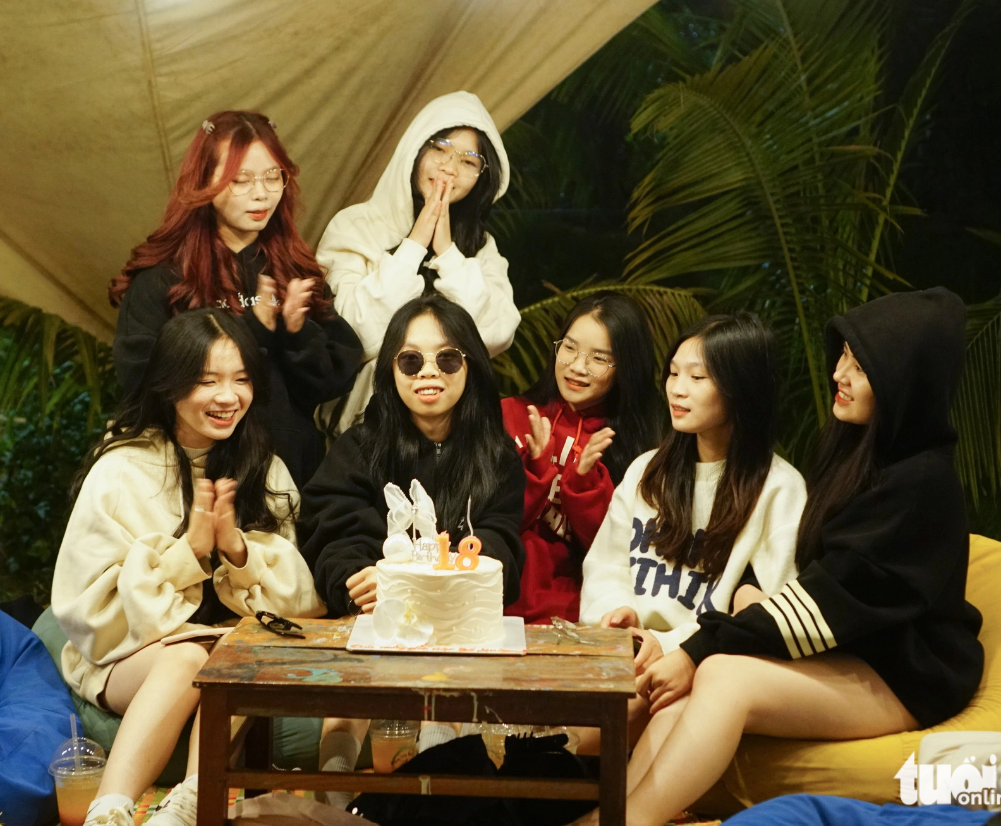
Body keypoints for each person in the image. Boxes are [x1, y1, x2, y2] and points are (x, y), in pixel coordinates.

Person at [576, 289, 985, 826]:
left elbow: (827, 600)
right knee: (685, 687)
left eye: (860, 367)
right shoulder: (855, 454)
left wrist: (697, 648)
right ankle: (613, 816)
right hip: (852, 652)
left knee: (721, 675)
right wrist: (742, 606)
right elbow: (822, 581)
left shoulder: (921, 482)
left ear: (903, 380)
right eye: (842, 356)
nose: (839, 373)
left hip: (903, 674)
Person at [54, 310, 325, 826]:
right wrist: (189, 554)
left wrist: (237, 551)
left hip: (228, 655)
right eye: (208, 381)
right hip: (125, 658)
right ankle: (107, 814)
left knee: (235, 656)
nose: (228, 397)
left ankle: (184, 810)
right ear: (170, 385)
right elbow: (89, 611)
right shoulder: (121, 468)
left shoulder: (263, 469)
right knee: (190, 660)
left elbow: (300, 604)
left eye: (241, 380)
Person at [297, 294, 525, 804]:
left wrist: (429, 574)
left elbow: (503, 547)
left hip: (460, 629)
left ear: (470, 365)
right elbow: (332, 534)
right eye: (410, 359)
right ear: (390, 370)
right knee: (359, 681)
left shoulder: (496, 456)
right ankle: (330, 803)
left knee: (453, 696)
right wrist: (356, 577)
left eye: (447, 358)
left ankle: (445, 801)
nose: (429, 373)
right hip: (376, 623)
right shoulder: (358, 446)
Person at [577, 313, 806, 744]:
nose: (677, 388)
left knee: (575, 737)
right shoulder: (648, 471)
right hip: (618, 651)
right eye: (673, 373)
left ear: (741, 388)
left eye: (697, 377)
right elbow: (606, 564)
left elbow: (763, 613)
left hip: (695, 663)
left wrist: (667, 645)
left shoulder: (780, 489)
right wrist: (616, 616)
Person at [111, 110, 363, 488]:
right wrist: (252, 332)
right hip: (194, 481)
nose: (260, 193)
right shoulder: (164, 278)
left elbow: (335, 378)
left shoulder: (294, 271)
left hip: (291, 479)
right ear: (204, 183)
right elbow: (141, 381)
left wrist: (297, 333)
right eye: (240, 180)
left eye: (272, 176)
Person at [315, 90, 521, 434]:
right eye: (439, 149)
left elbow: (496, 335)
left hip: (454, 437)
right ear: (415, 149)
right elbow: (353, 338)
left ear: (482, 178)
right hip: (361, 435)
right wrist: (413, 246)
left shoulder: (481, 247)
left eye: (468, 161)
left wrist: (448, 254)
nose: (449, 168)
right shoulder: (354, 226)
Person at [502, 292, 664, 624]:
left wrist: (585, 487)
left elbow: (622, 557)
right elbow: (484, 524)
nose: (577, 366)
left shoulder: (640, 447)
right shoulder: (510, 414)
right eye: (570, 347)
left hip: (582, 618)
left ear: (626, 368)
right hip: (495, 602)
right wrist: (534, 470)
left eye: (599, 358)